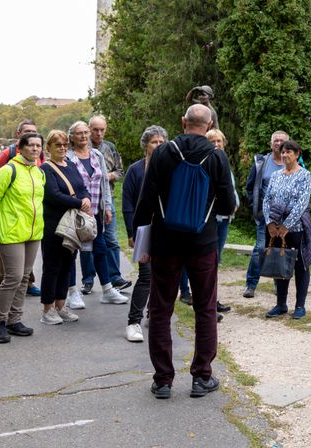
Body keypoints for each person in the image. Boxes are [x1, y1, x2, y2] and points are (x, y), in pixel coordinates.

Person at [132, 104, 236, 399]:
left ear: (183, 122)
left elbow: (147, 199)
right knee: (205, 307)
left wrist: (140, 238)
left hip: (166, 243)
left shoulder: (164, 152)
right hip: (202, 243)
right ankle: (202, 376)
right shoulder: (217, 157)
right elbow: (228, 206)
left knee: (161, 308)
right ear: (210, 124)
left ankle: (163, 380)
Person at [0, 131, 45, 343]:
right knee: (12, 277)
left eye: (38, 146)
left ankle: (14, 320)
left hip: (33, 232)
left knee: (24, 278)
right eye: (31, 145)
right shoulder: (7, 171)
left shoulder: (39, 172)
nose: (35, 149)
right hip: (11, 233)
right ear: (20, 148)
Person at [66, 120, 127, 306]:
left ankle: (107, 290)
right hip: (75, 213)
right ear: (72, 137)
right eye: (79, 133)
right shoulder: (68, 157)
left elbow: (104, 184)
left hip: (96, 212)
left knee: (100, 248)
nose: (84, 136)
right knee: (72, 251)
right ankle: (72, 292)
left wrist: (107, 206)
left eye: (85, 132)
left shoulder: (97, 155)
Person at [261, 139, 311, 320]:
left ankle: (300, 306)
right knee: (279, 264)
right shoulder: (276, 175)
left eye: (289, 152)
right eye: (283, 152)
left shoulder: (304, 175)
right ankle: (280, 304)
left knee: (300, 266)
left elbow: (302, 203)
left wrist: (287, 225)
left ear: (297, 154)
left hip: (295, 229)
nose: (285, 155)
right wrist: (270, 223)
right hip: (274, 229)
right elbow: (267, 199)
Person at [39, 129, 93, 325]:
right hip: (54, 226)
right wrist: (79, 203)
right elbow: (52, 195)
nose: (62, 148)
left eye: (64, 145)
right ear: (49, 148)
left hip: (72, 226)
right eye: (57, 145)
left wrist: (86, 197)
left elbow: (82, 186)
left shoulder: (70, 165)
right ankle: (47, 309)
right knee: (52, 267)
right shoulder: (46, 168)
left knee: (67, 266)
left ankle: (61, 306)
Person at [121, 125, 167, 342]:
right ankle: (133, 322)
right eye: (153, 142)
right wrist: (132, 232)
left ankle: (154, 314)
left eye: (161, 142)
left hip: (167, 230)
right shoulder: (135, 170)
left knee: (164, 275)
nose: (157, 146)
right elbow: (128, 204)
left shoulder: (171, 168)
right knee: (146, 275)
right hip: (144, 230)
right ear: (145, 145)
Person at [0, 120, 42, 299]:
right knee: (5, 261)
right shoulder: (8, 154)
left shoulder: (37, 158)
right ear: (18, 134)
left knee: (23, 269)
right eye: (27, 132)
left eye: (34, 132)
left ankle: (27, 285)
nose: (35, 147)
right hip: (11, 222)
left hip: (30, 221)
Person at [242, 130, 291, 298]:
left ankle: (279, 284)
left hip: (286, 217)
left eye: (281, 141)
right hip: (265, 216)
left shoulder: (292, 163)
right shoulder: (261, 163)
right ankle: (251, 285)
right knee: (260, 249)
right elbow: (250, 187)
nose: (278, 143)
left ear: (288, 144)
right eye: (275, 140)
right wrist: (255, 206)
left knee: (280, 248)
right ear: (271, 144)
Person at [89, 115, 131, 290]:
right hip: (89, 200)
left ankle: (116, 277)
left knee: (111, 239)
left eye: (102, 129)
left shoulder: (110, 148)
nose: (99, 133)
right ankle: (88, 280)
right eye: (95, 130)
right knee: (88, 241)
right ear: (89, 129)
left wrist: (109, 176)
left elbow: (121, 171)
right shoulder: (83, 147)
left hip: (108, 198)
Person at [206, 127, 238, 317]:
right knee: (209, 261)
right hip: (211, 219)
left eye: (219, 141)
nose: (217, 145)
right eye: (212, 142)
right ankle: (204, 300)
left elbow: (230, 188)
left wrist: (235, 204)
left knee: (216, 260)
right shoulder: (207, 162)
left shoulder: (224, 162)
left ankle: (213, 299)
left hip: (225, 219)